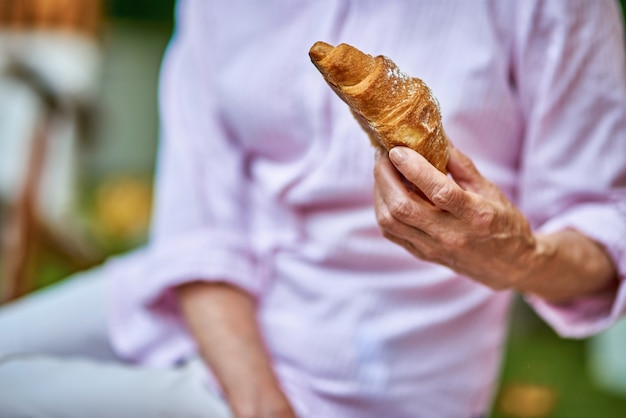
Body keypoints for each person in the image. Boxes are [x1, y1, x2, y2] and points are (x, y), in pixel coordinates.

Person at [1, 0, 625, 417]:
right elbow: (200, 218)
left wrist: (517, 258)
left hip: (357, 378)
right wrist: (259, 400)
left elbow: (605, 225)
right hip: (204, 295)